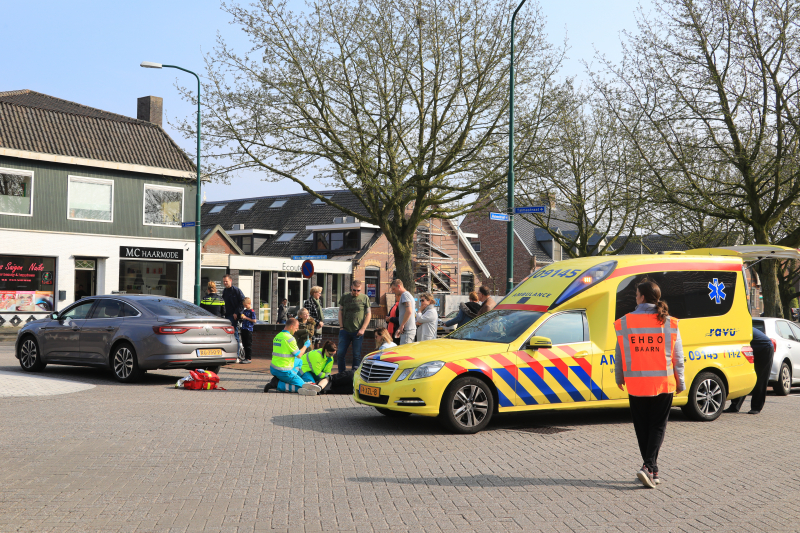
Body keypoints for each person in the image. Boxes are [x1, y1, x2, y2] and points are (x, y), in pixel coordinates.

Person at [615, 280, 685, 489]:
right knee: (657, 426)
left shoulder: (625, 322)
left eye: (636, 294)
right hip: (663, 383)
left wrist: (619, 377)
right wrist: (680, 381)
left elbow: (620, 353)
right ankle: (650, 468)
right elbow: (678, 356)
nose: (635, 297)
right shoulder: (669, 322)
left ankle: (650, 468)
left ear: (642, 297)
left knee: (642, 427)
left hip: (637, 384)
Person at [264, 318, 321, 395]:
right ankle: (277, 384)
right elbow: (299, 355)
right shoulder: (290, 339)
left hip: (274, 368)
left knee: (299, 361)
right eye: (296, 328)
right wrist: (305, 346)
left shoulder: (277, 336)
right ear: (291, 326)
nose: (296, 330)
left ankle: (287, 378)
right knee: (303, 386)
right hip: (284, 371)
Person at [724, 327, 775, 414]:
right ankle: (735, 406)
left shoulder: (737, 329)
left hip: (764, 349)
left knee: (760, 378)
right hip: (751, 348)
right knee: (743, 377)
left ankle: (756, 407)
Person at [337, 280, 371, 372]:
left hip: (358, 331)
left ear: (361, 289)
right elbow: (340, 311)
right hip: (345, 331)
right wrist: (341, 327)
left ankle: (354, 375)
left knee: (356, 355)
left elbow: (369, 314)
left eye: (358, 290)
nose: (356, 292)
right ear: (351, 287)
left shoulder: (364, 298)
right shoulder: (345, 296)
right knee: (340, 354)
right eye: (354, 290)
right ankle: (341, 375)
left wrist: (363, 329)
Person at [222, 275, 245, 356]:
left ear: (231, 281)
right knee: (227, 335)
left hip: (233, 316)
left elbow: (242, 302)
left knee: (235, 335)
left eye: (226, 281)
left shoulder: (236, 290)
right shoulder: (224, 291)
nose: (225, 283)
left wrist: (237, 312)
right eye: (224, 281)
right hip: (226, 316)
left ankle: (237, 355)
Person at [390, 279, 416, 345]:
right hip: (408, 330)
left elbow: (409, 311)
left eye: (394, 289)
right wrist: (400, 328)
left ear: (399, 286)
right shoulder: (407, 294)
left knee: (405, 351)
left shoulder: (405, 295)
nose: (393, 291)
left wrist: (401, 325)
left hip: (407, 330)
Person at [239, 297, 256, 364]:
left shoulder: (252, 311)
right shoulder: (245, 311)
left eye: (246, 305)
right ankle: (245, 357)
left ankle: (249, 358)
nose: (245, 307)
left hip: (249, 329)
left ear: (249, 303)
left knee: (248, 344)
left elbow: (254, 320)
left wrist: (246, 318)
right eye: (244, 305)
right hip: (244, 328)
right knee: (244, 344)